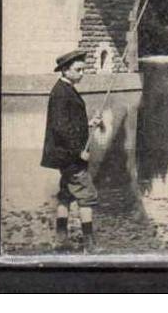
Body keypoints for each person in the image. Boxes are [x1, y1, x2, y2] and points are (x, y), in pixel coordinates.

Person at [40, 49, 103, 251]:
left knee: (66, 194)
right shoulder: (61, 93)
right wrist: (78, 152)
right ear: (66, 71)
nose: (82, 73)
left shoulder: (65, 89)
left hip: (64, 155)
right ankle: (89, 245)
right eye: (78, 70)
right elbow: (60, 128)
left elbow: (70, 124)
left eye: (83, 69)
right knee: (87, 196)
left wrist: (89, 124)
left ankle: (61, 240)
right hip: (69, 156)